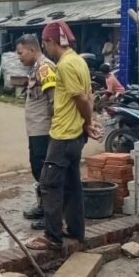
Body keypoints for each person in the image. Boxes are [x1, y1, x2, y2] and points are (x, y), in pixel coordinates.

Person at [25, 22, 100, 251]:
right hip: (74, 134)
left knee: (49, 185)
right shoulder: (79, 61)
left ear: (50, 42)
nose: (45, 48)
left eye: (45, 43)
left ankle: (52, 237)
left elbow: (81, 99)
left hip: (64, 134)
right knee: (71, 184)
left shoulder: (66, 65)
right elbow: (89, 95)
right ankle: (76, 230)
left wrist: (88, 122)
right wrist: (87, 123)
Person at [16, 34, 56, 230]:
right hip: (35, 130)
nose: (19, 57)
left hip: (44, 130)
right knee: (38, 171)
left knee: (44, 173)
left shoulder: (45, 68)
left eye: (20, 53)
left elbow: (54, 101)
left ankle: (52, 216)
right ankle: (43, 207)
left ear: (32, 50)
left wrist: (55, 130)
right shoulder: (35, 68)